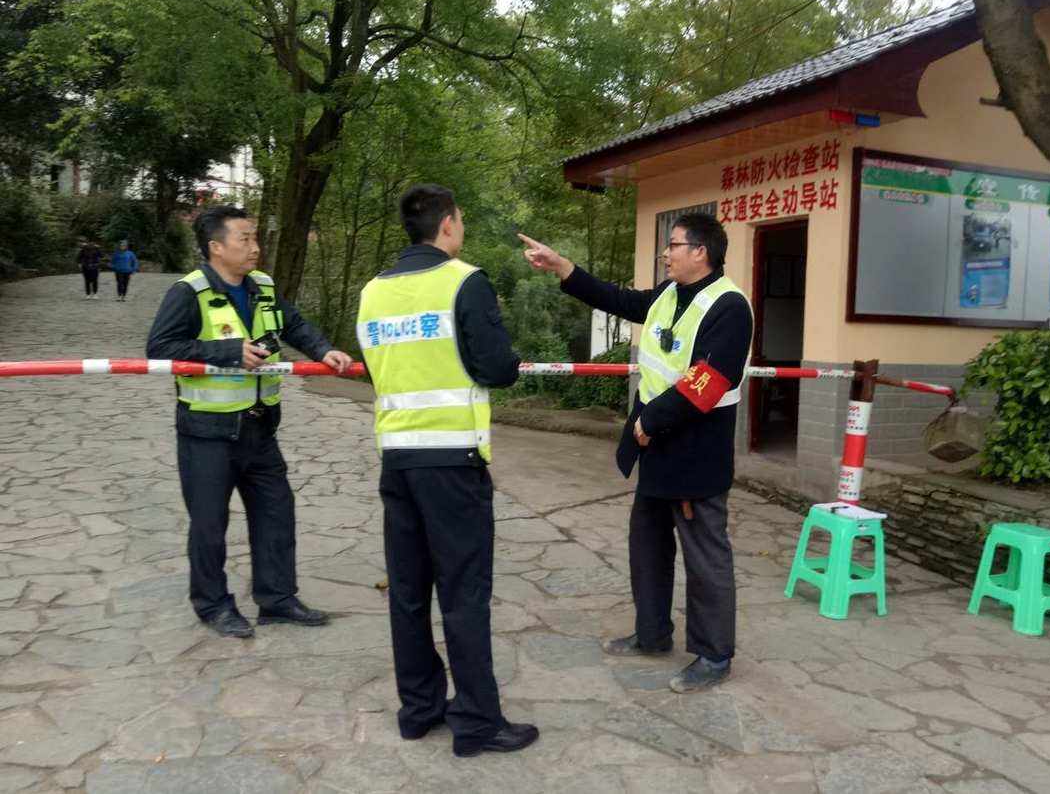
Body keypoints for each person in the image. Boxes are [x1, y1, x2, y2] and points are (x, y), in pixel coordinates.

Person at [519, 212, 753, 694]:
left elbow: (707, 380)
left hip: (694, 450)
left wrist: (650, 420)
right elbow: (619, 300)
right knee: (647, 546)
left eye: (674, 245)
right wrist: (564, 267)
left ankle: (713, 655)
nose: (666, 253)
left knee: (705, 556)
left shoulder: (729, 307)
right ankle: (652, 635)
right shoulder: (668, 295)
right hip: (656, 448)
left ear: (700, 253)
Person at [357, 183, 538, 758]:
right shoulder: (464, 280)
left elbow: (376, 366)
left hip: (397, 460)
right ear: (449, 226)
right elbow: (495, 367)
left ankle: (418, 711)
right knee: (463, 594)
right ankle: (478, 725)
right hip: (453, 463)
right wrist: (508, 361)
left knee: (408, 591)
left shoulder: (372, 294)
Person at [146, 205, 353, 638]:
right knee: (209, 524)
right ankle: (212, 605)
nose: (255, 247)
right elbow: (161, 348)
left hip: (260, 428)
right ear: (215, 247)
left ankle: (277, 599)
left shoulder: (262, 286)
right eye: (244, 239)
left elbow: (293, 324)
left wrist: (323, 350)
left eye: (255, 238)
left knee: (277, 513)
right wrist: (225, 351)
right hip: (208, 433)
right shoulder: (188, 292)